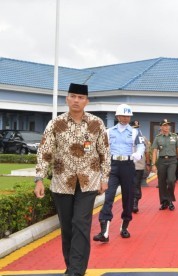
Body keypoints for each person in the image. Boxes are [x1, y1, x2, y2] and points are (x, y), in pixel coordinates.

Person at [34, 83, 111, 276]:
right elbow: (44, 152)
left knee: (81, 224)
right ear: (67, 99)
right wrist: (39, 179)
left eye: (80, 97)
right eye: (73, 96)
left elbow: (105, 153)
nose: (76, 100)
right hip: (62, 183)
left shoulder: (97, 124)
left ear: (87, 101)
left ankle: (76, 272)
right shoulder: (55, 124)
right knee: (67, 228)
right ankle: (72, 268)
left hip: (89, 182)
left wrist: (105, 177)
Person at [93, 104, 145, 242]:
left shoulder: (135, 132)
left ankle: (124, 227)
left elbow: (141, 144)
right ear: (117, 116)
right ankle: (104, 232)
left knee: (128, 198)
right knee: (108, 196)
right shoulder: (109, 131)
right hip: (113, 165)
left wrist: (138, 154)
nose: (126, 118)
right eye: (123, 115)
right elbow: (102, 148)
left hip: (128, 165)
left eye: (128, 116)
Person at [151, 119, 178, 211]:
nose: (166, 127)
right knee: (161, 182)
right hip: (161, 161)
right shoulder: (158, 137)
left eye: (168, 125)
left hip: (172, 161)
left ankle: (170, 200)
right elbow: (154, 151)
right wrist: (153, 164)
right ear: (161, 127)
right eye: (164, 125)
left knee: (171, 180)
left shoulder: (174, 136)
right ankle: (164, 202)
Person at [132, 122, 151, 213]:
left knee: (136, 184)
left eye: (137, 128)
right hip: (127, 164)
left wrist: (148, 164)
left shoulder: (143, 139)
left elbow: (147, 152)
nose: (136, 130)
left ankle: (135, 202)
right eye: (134, 128)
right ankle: (130, 202)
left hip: (139, 165)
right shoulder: (126, 137)